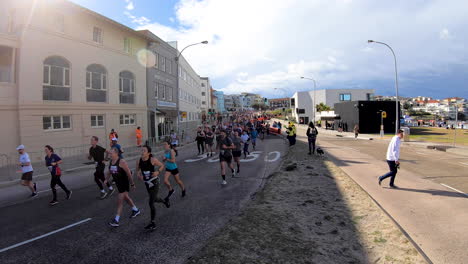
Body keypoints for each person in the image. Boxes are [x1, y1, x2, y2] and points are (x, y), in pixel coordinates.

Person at [136, 145, 170, 230]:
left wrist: (157, 172)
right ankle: (164, 201)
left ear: (148, 153)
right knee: (155, 199)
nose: (142, 152)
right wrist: (139, 175)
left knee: (151, 202)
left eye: (144, 151)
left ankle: (152, 223)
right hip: (147, 183)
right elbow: (137, 171)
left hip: (155, 181)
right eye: (141, 150)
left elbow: (162, 165)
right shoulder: (139, 160)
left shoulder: (152, 160)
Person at [106, 147, 140, 227]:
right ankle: (135, 209)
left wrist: (132, 184)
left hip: (124, 183)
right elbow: (109, 171)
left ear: (116, 153)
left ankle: (116, 220)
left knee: (120, 201)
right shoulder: (111, 161)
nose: (110, 154)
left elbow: (128, 173)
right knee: (126, 198)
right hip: (118, 184)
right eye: (109, 153)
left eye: (111, 153)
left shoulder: (122, 162)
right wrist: (106, 179)